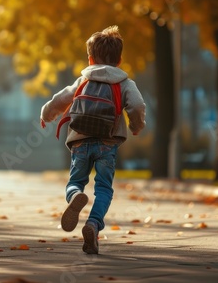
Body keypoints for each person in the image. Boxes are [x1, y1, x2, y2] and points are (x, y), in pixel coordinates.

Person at [40, 25, 146, 254]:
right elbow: (137, 106)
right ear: (119, 60)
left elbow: (61, 100)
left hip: (79, 140)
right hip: (108, 143)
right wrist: (136, 126)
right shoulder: (125, 83)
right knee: (104, 189)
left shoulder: (83, 81)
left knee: (75, 182)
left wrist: (46, 115)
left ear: (90, 59)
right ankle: (93, 224)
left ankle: (76, 196)